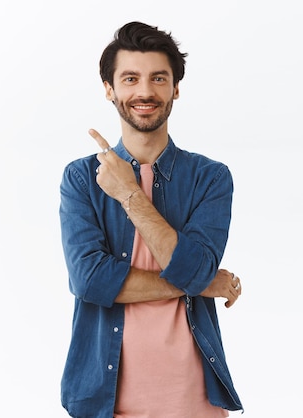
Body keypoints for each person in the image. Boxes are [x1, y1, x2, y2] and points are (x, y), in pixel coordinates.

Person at [58, 21, 244, 417]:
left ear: (175, 88)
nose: (145, 91)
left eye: (159, 78)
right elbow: (89, 281)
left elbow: (193, 269)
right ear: (110, 89)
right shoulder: (80, 179)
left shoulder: (210, 178)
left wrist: (128, 192)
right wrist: (205, 283)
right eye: (130, 78)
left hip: (193, 403)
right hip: (104, 403)